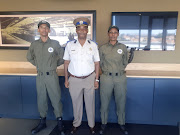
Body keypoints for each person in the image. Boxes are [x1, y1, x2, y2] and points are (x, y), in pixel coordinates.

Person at [27, 20, 65, 135]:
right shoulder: (34, 44)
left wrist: (53, 65)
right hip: (40, 76)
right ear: (38, 30)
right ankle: (42, 122)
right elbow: (29, 57)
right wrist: (39, 65)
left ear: (49, 30)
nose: (44, 29)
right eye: (41, 27)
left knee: (56, 99)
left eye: (46, 28)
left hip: (52, 75)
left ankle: (59, 122)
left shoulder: (55, 43)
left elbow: (63, 57)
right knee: (41, 100)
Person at [63, 17, 100, 134]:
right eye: (80, 29)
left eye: (84, 29)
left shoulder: (93, 45)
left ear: (87, 31)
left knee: (90, 103)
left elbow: (97, 63)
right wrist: (66, 79)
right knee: (76, 104)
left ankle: (92, 125)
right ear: (76, 31)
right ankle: (76, 124)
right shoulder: (70, 45)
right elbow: (66, 63)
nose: (82, 31)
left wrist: (97, 79)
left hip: (90, 78)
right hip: (74, 79)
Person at [99, 25, 128, 135]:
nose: (113, 34)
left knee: (121, 101)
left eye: (115, 32)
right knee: (104, 102)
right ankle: (103, 124)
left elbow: (125, 62)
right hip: (106, 77)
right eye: (111, 32)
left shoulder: (123, 47)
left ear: (118, 34)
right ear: (108, 34)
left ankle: (121, 123)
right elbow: (100, 63)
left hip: (120, 78)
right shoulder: (102, 48)